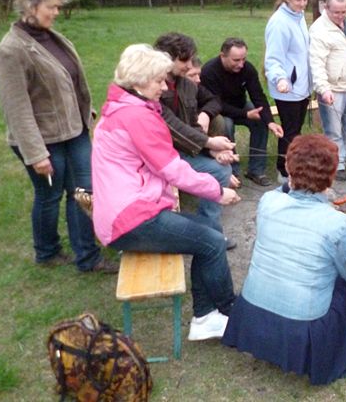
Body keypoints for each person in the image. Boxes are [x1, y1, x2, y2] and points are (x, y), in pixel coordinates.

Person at [91, 44, 241, 341]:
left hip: (128, 210)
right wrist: (216, 190)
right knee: (212, 242)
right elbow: (172, 169)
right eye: (159, 80)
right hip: (130, 219)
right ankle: (229, 312)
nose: (164, 86)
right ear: (138, 81)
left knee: (209, 232)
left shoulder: (125, 107)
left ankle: (206, 315)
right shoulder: (136, 116)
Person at [0, 0, 116, 273]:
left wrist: (84, 112)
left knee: (83, 191)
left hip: (74, 131)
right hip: (42, 139)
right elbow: (16, 108)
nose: (57, 12)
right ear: (31, 5)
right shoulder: (10, 51)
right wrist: (36, 154)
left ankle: (87, 256)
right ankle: (46, 251)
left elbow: (68, 81)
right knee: (49, 196)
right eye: (52, 7)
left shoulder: (51, 37)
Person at [222, 134, 346, 385]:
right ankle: (340, 356)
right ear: (331, 176)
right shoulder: (339, 224)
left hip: (252, 309)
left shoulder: (268, 200)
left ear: (289, 169)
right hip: (301, 324)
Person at [153, 33, 237, 233]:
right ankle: (205, 231)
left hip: (182, 151)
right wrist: (210, 143)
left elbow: (192, 122)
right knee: (218, 170)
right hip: (160, 156)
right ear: (166, 59)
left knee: (221, 168)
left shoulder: (186, 84)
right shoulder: (152, 87)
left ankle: (208, 226)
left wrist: (212, 152)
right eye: (184, 60)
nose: (190, 66)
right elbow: (172, 126)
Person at [200, 38, 284, 186]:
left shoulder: (247, 69)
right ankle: (232, 171)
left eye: (243, 59)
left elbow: (258, 96)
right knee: (226, 124)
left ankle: (256, 170)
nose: (241, 64)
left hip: (241, 105)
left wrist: (270, 121)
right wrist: (245, 115)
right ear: (222, 56)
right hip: (218, 111)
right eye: (236, 60)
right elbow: (217, 104)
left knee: (261, 121)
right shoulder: (209, 72)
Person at [309, 0, 346, 182]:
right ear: (326, 9)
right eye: (336, 12)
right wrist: (324, 89)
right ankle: (336, 163)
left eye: (344, 11)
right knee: (333, 129)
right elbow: (316, 63)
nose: (341, 16)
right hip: (332, 87)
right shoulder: (319, 30)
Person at [264, 0, 312, 183]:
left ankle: (293, 167)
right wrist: (280, 79)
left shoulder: (299, 17)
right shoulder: (279, 22)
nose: (302, 4)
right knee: (289, 132)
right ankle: (284, 173)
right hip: (287, 88)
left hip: (302, 86)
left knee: (296, 131)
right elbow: (273, 58)